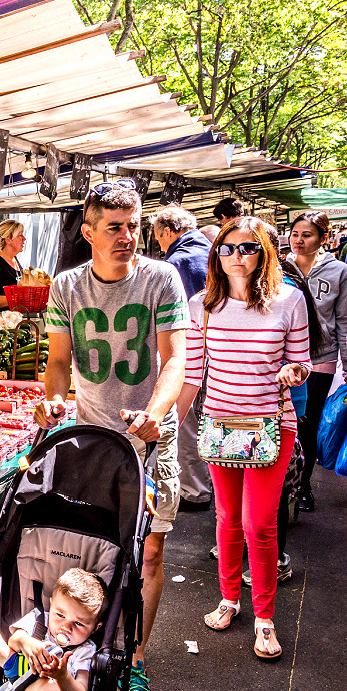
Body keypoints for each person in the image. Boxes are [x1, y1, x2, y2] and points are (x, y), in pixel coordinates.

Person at [34, 179, 187, 691]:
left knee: (147, 552)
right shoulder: (68, 286)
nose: (128, 236)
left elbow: (175, 360)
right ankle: (81, 650)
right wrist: (53, 402)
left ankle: (136, 660)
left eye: (134, 226)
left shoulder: (161, 279)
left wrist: (157, 412)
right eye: (115, 228)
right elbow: (57, 361)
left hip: (150, 438)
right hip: (92, 438)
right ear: (89, 232)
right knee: (94, 550)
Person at [176, 217, 311, 660]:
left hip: (271, 426)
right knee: (227, 519)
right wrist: (167, 426)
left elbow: (302, 361)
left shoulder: (289, 300)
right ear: (216, 254)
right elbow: (192, 374)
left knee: (259, 524)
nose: (237, 256)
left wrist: (295, 373)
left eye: (249, 248)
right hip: (220, 428)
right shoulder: (202, 306)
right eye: (228, 248)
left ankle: (265, 617)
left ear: (265, 253)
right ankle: (229, 599)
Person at [285, 211, 347, 511]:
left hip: (321, 358)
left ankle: (302, 485)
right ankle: (281, 484)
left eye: (307, 235)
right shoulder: (277, 267)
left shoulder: (338, 272)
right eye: (295, 234)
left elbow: (345, 321)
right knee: (282, 422)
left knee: (307, 423)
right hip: (282, 358)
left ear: (323, 238)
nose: (299, 240)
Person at [152, 206, 212, 511]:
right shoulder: (213, 251)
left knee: (185, 421)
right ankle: (208, 481)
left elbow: (173, 320)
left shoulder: (177, 261)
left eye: (157, 237)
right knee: (207, 420)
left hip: (193, 353)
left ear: (166, 231)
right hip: (224, 354)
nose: (160, 244)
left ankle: (194, 490)